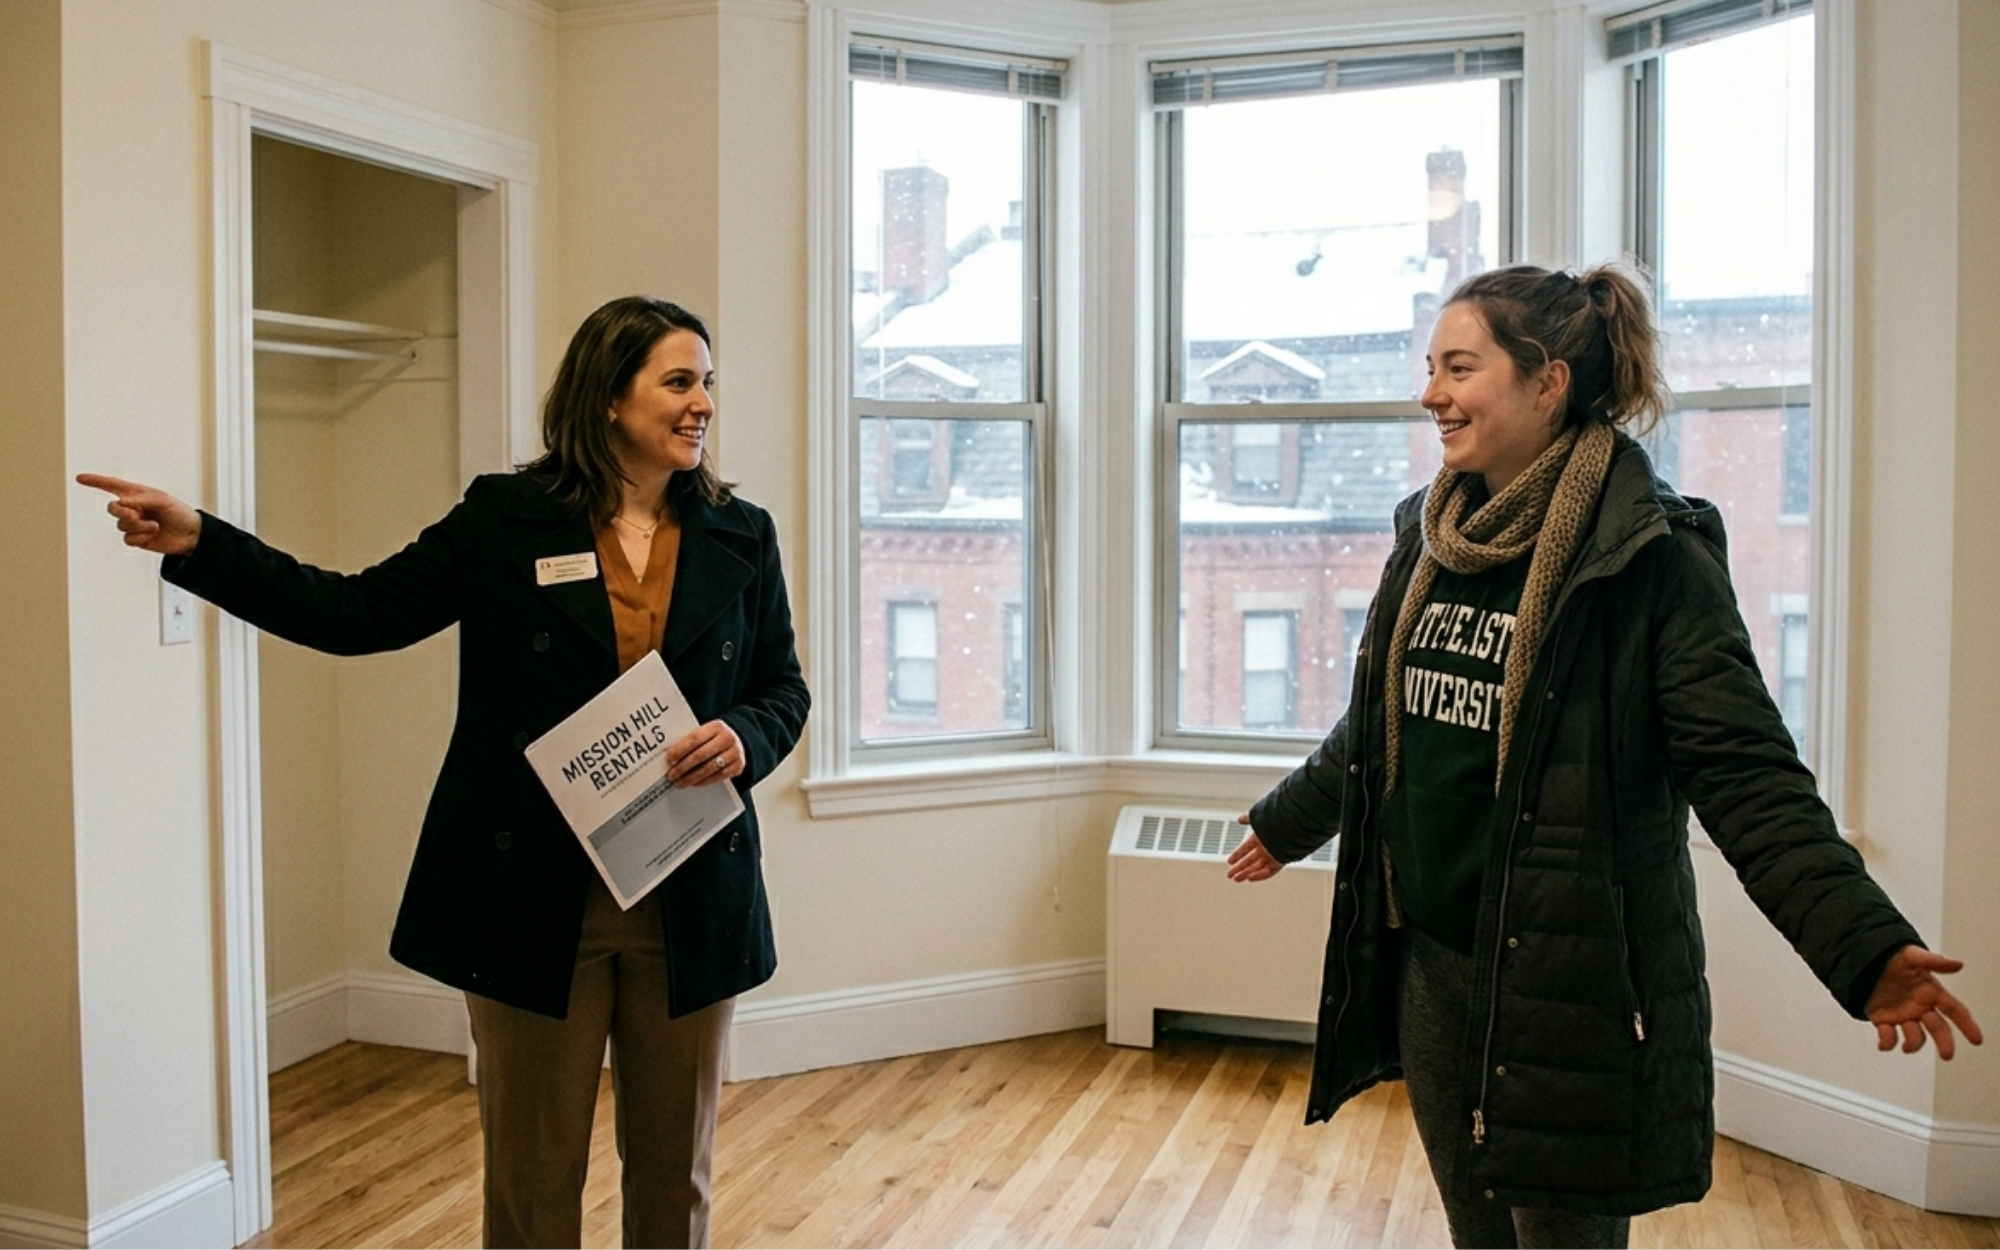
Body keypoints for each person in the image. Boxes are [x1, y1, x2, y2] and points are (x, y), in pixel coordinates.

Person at [1224, 263, 1981, 1249]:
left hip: (1566, 989)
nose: (1431, 393)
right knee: (1479, 1236)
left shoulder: (1649, 555)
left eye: (1459, 367)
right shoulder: (1429, 536)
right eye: (1429, 368)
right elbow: (1380, 726)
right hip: (1432, 969)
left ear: (1548, 382)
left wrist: (1860, 946)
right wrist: (1286, 822)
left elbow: (1745, 772)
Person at [80, 296, 808, 1250]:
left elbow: (782, 687)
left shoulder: (740, 532)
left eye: (707, 382)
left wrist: (745, 737)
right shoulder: (506, 519)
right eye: (678, 381)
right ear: (608, 396)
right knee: (533, 1179)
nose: (702, 402)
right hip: (531, 892)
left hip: (690, 889)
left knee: (677, 1181)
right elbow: (356, 613)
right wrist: (205, 544)